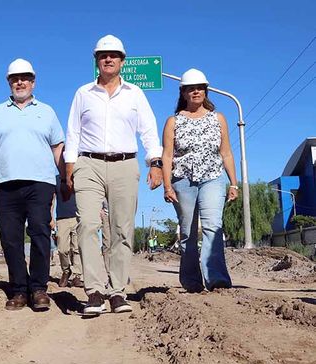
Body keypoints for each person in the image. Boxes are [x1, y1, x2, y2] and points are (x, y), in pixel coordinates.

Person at [64, 35, 163, 315]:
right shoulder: (83, 93)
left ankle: (118, 291)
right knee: (86, 225)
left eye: (114, 55)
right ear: (97, 61)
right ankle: (94, 291)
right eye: (103, 55)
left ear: (122, 61)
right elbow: (73, 132)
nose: (108, 59)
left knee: (122, 229)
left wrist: (155, 163)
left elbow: (148, 130)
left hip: (125, 164)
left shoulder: (135, 94)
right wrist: (69, 168)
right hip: (88, 164)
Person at [0, 58, 65, 311]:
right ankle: (18, 290)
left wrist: (66, 177)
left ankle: (38, 289)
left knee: (39, 233)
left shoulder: (46, 111)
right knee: (11, 239)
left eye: (25, 78)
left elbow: (58, 147)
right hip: (6, 184)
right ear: (9, 82)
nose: (20, 82)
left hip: (40, 183)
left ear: (33, 82)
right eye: (15, 78)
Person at [162, 68, 238, 292]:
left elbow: (226, 152)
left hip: (212, 178)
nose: (195, 92)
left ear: (206, 91)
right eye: (190, 89)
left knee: (213, 226)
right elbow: (167, 155)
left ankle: (216, 278)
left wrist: (233, 183)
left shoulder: (219, 119)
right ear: (183, 93)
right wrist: (167, 186)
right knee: (187, 232)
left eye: (199, 88)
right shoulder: (173, 121)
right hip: (182, 180)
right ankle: (191, 281)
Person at [54, 174, 83, 287]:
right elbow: (52, 198)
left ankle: (77, 276)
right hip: (61, 218)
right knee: (62, 249)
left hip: (77, 217)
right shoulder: (56, 179)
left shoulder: (79, 177)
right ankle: (66, 271)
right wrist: (50, 217)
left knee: (76, 248)